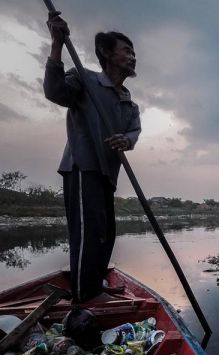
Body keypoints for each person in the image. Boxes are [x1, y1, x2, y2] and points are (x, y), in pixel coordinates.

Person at [44, 11, 141, 302]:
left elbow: (134, 133)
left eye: (133, 52)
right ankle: (85, 295)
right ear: (106, 54)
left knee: (106, 232)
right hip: (82, 166)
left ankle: (95, 281)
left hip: (107, 173)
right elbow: (54, 91)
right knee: (88, 232)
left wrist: (126, 139)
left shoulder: (128, 102)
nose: (133, 56)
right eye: (126, 51)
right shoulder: (84, 79)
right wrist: (57, 45)